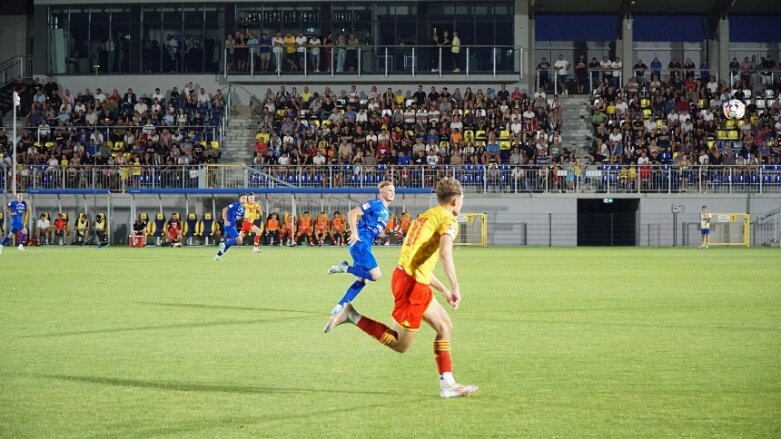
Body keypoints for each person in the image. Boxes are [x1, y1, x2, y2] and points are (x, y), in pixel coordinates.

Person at [325, 178, 477, 398]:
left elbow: (419, 262)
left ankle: (448, 384)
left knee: (445, 326)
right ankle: (351, 315)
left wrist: (444, 290)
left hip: (409, 278)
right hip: (411, 286)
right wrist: (456, 286)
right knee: (400, 344)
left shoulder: (425, 217)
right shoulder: (448, 220)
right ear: (455, 200)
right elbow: (445, 254)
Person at [324, 181, 396, 322]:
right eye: (389, 190)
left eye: (393, 190)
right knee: (375, 276)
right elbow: (352, 213)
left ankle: (340, 306)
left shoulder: (386, 212)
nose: (392, 192)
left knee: (362, 280)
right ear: (382, 192)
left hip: (365, 245)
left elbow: (377, 233)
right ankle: (345, 268)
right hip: (360, 243)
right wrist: (355, 233)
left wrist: (389, 236)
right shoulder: (375, 204)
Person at [214, 193, 247, 261]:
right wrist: (225, 220)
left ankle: (217, 256)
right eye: (243, 198)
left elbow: (239, 216)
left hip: (233, 226)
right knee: (239, 240)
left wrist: (242, 218)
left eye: (245, 198)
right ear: (239, 198)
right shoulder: (235, 204)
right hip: (228, 225)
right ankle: (223, 243)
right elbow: (224, 210)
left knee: (229, 244)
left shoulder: (243, 208)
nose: (244, 199)